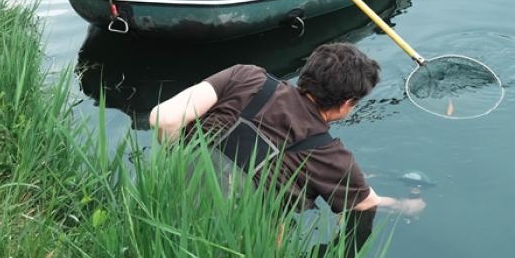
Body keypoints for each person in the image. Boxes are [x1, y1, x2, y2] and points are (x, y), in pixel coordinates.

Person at [149, 43, 426, 217]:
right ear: (345, 104)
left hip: (162, 199)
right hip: (226, 235)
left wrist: (176, 164)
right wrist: (404, 205)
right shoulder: (331, 157)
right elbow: (365, 203)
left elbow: (163, 119)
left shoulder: (245, 76)